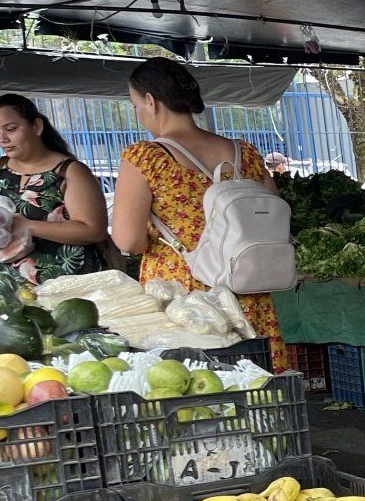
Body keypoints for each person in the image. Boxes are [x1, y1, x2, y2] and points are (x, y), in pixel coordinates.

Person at [110, 57, 287, 368]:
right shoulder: (244, 153)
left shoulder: (146, 158)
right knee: (257, 387)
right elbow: (273, 220)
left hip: (184, 299)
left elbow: (129, 240)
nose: (138, 114)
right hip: (245, 288)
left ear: (151, 102)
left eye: (135, 104)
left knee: (194, 388)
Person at [0, 94, 106, 282]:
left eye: (11, 129)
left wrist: (27, 226)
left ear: (36, 126)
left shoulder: (70, 171)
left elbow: (93, 230)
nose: (2, 139)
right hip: (5, 287)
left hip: (66, 285)